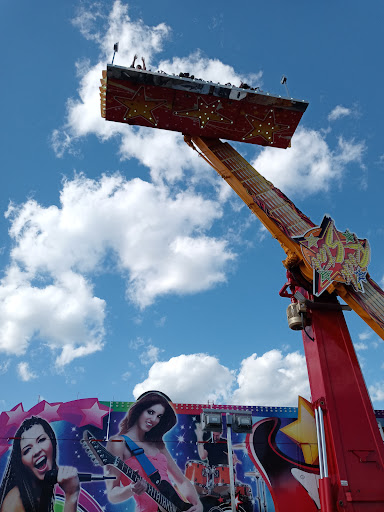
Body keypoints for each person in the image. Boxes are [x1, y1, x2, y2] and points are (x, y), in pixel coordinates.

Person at [105, 391, 203, 512]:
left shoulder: (158, 445)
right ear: (139, 410)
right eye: (150, 412)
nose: (154, 419)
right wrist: (131, 489)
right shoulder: (118, 443)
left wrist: (197, 504)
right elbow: (112, 494)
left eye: (159, 416)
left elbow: (181, 481)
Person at [0, 416, 80, 512]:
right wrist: (71, 496)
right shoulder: (14, 502)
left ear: (52, 442)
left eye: (41, 440)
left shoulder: (41, 490)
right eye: (27, 450)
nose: (37, 451)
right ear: (22, 463)